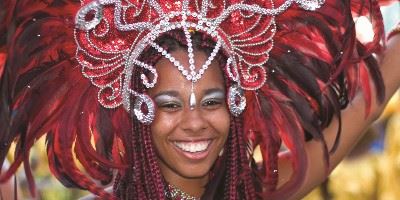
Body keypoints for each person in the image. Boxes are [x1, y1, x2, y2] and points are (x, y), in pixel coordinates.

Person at [0, 0, 399, 199]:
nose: (195, 123)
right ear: (139, 111)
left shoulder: (255, 191)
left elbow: (367, 104)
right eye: (170, 105)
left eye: (212, 102)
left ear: (237, 103)